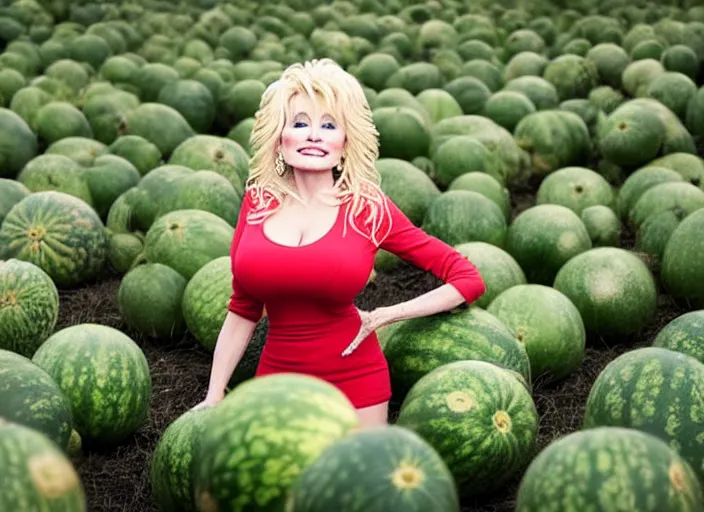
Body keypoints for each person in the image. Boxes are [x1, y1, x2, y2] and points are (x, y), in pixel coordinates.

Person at [193, 58, 486, 428]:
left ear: (346, 141)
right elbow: (244, 308)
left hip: (355, 381)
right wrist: (215, 393)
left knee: (355, 483)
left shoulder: (368, 208)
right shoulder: (257, 204)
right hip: (276, 383)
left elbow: (466, 277)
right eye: (300, 123)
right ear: (279, 137)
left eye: (328, 125)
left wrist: (384, 316)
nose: (314, 134)